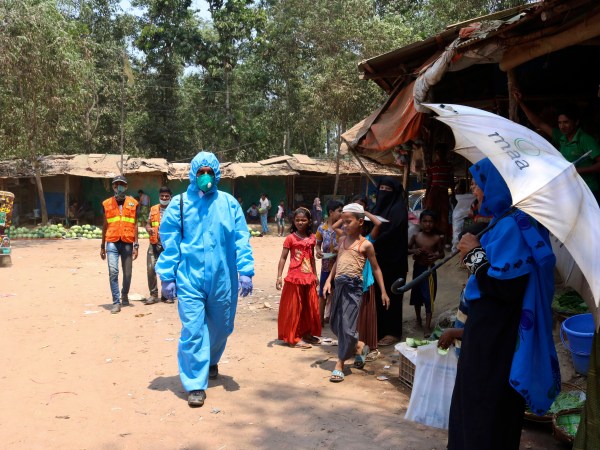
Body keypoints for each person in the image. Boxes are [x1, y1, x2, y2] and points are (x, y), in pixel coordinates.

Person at [449, 158, 559, 449]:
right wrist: (474, 252)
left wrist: (474, 254)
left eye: (480, 183)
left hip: (496, 337)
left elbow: (504, 288)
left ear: (498, 185)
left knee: (486, 408)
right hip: (486, 332)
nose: (476, 191)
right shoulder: (501, 223)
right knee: (474, 404)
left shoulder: (513, 226)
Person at [155, 151, 254, 408]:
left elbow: (241, 238)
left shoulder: (229, 204)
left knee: (222, 325)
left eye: (211, 172)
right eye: (201, 172)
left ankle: (210, 359)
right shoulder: (179, 204)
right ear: (193, 174)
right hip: (190, 277)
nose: (206, 177)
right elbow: (170, 242)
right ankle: (195, 384)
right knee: (194, 330)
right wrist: (167, 276)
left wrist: (245, 270)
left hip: (223, 277)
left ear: (217, 174)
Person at [323, 203, 389, 382]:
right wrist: (329, 280)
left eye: (348, 222)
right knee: (336, 324)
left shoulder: (365, 244)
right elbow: (338, 261)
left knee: (348, 325)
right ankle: (359, 346)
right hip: (339, 285)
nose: (344, 225)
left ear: (360, 222)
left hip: (354, 289)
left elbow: (376, 269)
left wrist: (383, 291)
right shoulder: (342, 240)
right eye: (342, 222)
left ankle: (340, 363)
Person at [514, 90, 600, 203]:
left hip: (589, 190)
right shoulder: (561, 137)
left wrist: (577, 170)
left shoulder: (585, 139)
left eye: (566, 122)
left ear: (576, 122)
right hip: (571, 190)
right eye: (560, 123)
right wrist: (520, 103)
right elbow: (539, 123)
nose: (562, 126)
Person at [275, 207, 321, 349]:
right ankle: (293, 337)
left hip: (308, 277)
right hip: (294, 277)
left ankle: (306, 333)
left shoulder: (312, 238)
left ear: (309, 221)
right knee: (294, 308)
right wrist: (279, 276)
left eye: (303, 220)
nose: (300, 222)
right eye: (297, 220)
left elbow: (312, 257)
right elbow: (283, 258)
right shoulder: (290, 238)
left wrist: (315, 274)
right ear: (293, 221)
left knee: (309, 307)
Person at [371, 177, 408, 347]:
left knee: (392, 294)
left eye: (388, 189)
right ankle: (378, 329)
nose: (383, 192)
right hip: (377, 260)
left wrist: (372, 243)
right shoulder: (377, 208)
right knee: (378, 294)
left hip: (394, 260)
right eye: (381, 188)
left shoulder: (398, 209)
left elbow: (393, 231)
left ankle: (393, 331)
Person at [100, 175, 139, 314]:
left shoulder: (134, 203)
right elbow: (105, 225)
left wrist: (136, 245)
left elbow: (135, 225)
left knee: (127, 274)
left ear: (126, 186)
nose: (119, 187)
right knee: (113, 271)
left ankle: (124, 294)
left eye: (121, 184)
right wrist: (102, 245)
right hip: (112, 241)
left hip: (128, 242)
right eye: (116, 185)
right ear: (113, 187)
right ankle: (116, 302)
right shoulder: (106, 204)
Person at [408, 210, 444, 336]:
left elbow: (442, 253)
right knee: (417, 295)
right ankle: (418, 319)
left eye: (431, 222)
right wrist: (414, 251)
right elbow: (407, 249)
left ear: (435, 223)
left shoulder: (437, 238)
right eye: (425, 221)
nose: (428, 224)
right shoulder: (416, 236)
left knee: (429, 297)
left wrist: (436, 256)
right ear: (420, 222)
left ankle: (427, 326)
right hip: (418, 269)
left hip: (429, 271)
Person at [315, 200, 343, 325]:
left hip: (341, 268)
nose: (342, 214)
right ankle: (320, 321)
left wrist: (340, 247)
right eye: (339, 211)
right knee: (323, 294)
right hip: (326, 266)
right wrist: (318, 252)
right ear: (331, 212)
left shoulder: (344, 228)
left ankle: (335, 321)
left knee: (338, 294)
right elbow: (317, 244)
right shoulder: (322, 228)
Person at [143, 186, 173, 305]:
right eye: (162, 196)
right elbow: (147, 224)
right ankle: (153, 295)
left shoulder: (174, 209)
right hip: (154, 243)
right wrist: (149, 229)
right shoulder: (153, 209)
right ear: (159, 197)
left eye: (166, 196)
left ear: (170, 197)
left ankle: (167, 295)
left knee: (167, 270)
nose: (164, 198)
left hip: (168, 245)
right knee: (151, 269)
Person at [425, 143, 454, 246]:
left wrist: (453, 196)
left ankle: (445, 240)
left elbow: (451, 182)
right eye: (438, 152)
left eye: (442, 152)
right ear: (436, 153)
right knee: (430, 214)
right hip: (433, 192)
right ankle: (429, 237)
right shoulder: (431, 166)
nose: (439, 154)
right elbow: (429, 182)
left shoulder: (449, 166)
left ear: (445, 153)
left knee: (444, 216)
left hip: (443, 192)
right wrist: (426, 196)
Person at [451, 179, 475, 252]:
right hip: (465, 214)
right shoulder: (471, 198)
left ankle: (456, 248)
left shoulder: (462, 198)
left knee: (457, 232)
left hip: (459, 214)